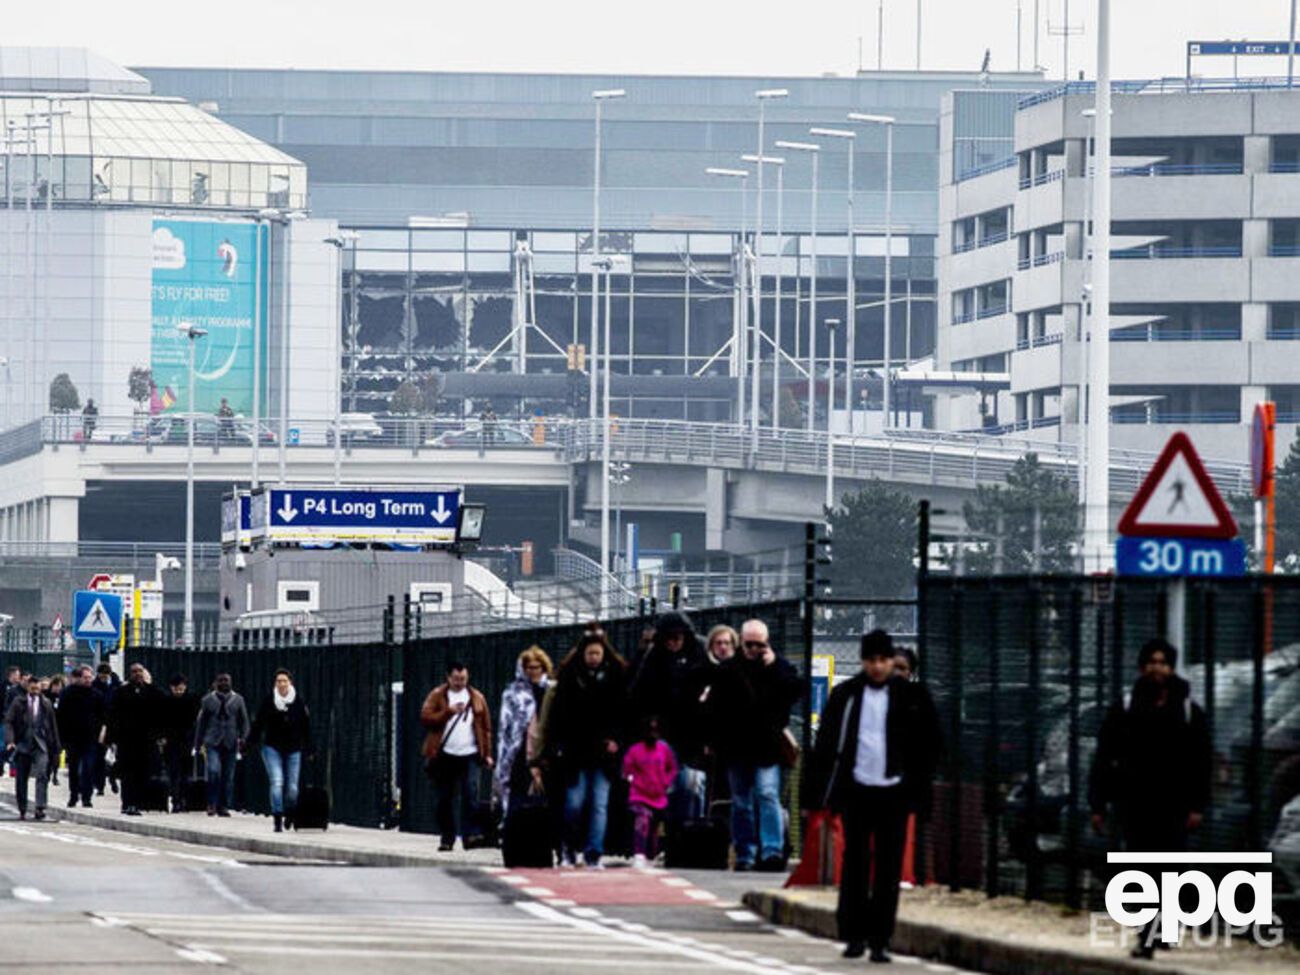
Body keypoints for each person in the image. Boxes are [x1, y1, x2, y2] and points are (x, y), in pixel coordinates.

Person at [805, 629, 941, 963]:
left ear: (892, 660)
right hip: (857, 790)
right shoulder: (846, 696)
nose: (878, 668)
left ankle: (880, 938)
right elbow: (826, 746)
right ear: (863, 661)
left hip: (894, 791)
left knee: (888, 866)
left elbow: (930, 747)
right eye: (872, 661)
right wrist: (816, 795)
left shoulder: (911, 696)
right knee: (855, 862)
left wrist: (919, 794)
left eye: (883, 661)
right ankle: (853, 934)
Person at [1089, 637, 1210, 960]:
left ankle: (1165, 927)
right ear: (1142, 667)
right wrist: (1098, 803)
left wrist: (1198, 804)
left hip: (1174, 802)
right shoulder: (1127, 706)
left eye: (1163, 662)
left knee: (1170, 865)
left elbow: (1201, 760)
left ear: (1171, 667)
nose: (1157, 668)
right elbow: (1104, 755)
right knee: (1142, 867)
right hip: (1135, 801)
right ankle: (1147, 934)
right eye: (1152, 662)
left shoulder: (1187, 709)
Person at [709, 619, 802, 872]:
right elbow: (715, 707)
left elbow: (796, 689)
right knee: (741, 801)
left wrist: (774, 668)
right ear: (742, 642)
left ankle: (771, 850)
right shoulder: (729, 670)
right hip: (738, 745)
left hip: (766, 746)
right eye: (749, 644)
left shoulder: (778, 667)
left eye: (758, 645)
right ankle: (745, 852)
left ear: (766, 644)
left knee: (767, 793)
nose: (753, 650)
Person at [541, 630, 628, 868]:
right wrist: (557, 745)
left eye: (597, 653)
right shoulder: (571, 677)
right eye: (590, 652)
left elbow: (621, 714)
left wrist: (615, 740)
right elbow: (559, 716)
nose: (594, 657)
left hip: (602, 754)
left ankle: (593, 853)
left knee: (599, 804)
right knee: (575, 803)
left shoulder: (613, 677)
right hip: (575, 752)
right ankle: (569, 848)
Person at [629, 610, 708, 824]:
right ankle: (676, 832)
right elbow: (638, 692)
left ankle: (691, 829)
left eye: (676, 638)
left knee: (692, 784)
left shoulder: (699, 651)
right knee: (673, 785)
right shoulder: (654, 657)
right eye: (667, 639)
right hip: (666, 729)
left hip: (694, 730)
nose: (672, 643)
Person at [420, 661, 494, 852]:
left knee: (471, 795)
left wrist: (486, 753)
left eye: (463, 678)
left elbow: (486, 728)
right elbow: (426, 717)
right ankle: (447, 837)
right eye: (456, 678)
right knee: (444, 798)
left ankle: (469, 836)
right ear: (448, 677)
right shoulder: (438, 695)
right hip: (444, 754)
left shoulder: (476, 697)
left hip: (470, 753)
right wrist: (447, 712)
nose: (459, 682)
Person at [249, 669, 311, 833]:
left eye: (284, 680)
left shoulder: (298, 702)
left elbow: (306, 726)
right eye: (278, 681)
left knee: (292, 788)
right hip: (272, 747)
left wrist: (310, 747)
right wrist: (249, 743)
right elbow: (258, 723)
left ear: (290, 682)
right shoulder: (269, 701)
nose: (281, 684)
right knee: (277, 782)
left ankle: (290, 812)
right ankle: (277, 816)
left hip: (294, 748)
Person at [495, 646, 553, 817]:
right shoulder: (512, 692)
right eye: (529, 667)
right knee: (518, 793)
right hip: (518, 749)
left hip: (546, 749)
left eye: (537, 667)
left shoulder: (552, 690)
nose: (533, 671)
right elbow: (504, 724)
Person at [105, 662, 163, 816]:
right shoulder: (121, 692)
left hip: (146, 740)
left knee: (142, 773)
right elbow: (113, 716)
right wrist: (111, 738)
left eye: (140, 671)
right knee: (127, 774)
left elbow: (161, 714)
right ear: (130, 674)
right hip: (126, 740)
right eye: (134, 671)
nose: (138, 674)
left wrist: (160, 736)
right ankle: (128, 803)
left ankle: (137, 802)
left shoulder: (152, 692)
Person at [622, 715, 678, 867]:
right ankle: (639, 853)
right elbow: (626, 770)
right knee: (643, 819)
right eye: (650, 730)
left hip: (659, 796)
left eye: (655, 730)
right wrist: (633, 781)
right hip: (639, 795)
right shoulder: (635, 750)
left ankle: (651, 854)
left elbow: (672, 768)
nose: (652, 734)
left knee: (654, 828)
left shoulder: (664, 749)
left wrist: (665, 782)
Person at [193, 673, 251, 817]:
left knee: (228, 776)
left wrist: (244, 738)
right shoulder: (207, 700)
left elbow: (244, 721)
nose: (224, 683)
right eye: (221, 681)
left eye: (226, 680)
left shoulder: (238, 700)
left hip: (231, 742)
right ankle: (211, 803)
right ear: (216, 683)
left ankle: (223, 805)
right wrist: (197, 743)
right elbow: (201, 723)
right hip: (212, 741)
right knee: (214, 771)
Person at [4, 675, 60, 820]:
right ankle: (22, 808)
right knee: (21, 777)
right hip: (23, 743)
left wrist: (55, 747)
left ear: (41, 688)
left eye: (37, 688)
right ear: (28, 687)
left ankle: (40, 808)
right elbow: (9, 721)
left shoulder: (46, 704)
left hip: (41, 744)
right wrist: (10, 740)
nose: (35, 690)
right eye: (32, 688)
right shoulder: (18, 702)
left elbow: (53, 727)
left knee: (42, 774)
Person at [57, 666, 103, 809]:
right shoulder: (68, 694)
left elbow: (102, 715)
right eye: (85, 677)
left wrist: (101, 733)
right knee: (74, 769)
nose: (88, 680)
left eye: (90, 677)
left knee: (88, 768)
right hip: (73, 738)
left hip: (90, 738)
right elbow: (61, 716)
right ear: (79, 678)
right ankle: (73, 795)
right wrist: (62, 738)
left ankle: (86, 797)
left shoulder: (96, 695)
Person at [160, 674, 201, 813]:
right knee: (174, 772)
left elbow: (196, 721)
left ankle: (183, 799)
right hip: (172, 741)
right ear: (172, 688)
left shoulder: (192, 700)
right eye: (177, 689)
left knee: (185, 773)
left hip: (186, 740)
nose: (179, 692)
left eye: (181, 689)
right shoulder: (166, 701)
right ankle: (176, 800)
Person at [92, 663, 121, 797]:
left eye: (105, 677)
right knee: (99, 757)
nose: (103, 679)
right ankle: (100, 785)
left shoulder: (117, 685)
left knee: (116, 757)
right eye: (101, 677)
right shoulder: (94, 686)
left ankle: (113, 778)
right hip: (99, 726)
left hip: (114, 725)